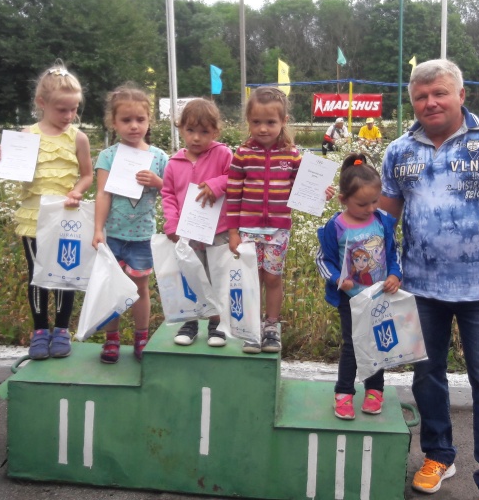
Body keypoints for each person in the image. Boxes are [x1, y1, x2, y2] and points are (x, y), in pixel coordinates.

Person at [380, 59, 479, 500]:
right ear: (412, 102)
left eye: (439, 93)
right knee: (427, 378)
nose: (430, 102)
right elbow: (384, 222)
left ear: (461, 95)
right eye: (421, 96)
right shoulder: (399, 151)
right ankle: (439, 456)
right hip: (418, 290)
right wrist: (349, 209)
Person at [0, 64, 93, 360]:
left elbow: (87, 175)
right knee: (37, 274)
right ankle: (40, 330)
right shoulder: (26, 135)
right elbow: (15, 172)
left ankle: (61, 329)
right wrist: (2, 158)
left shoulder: (78, 138)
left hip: (66, 217)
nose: (69, 116)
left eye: (74, 109)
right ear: (41, 103)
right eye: (62, 109)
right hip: (34, 218)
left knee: (65, 271)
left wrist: (77, 191)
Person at [315, 154, 402, 420]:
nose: (370, 208)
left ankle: (375, 391)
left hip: (380, 297)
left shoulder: (382, 221)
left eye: (375, 201)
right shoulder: (336, 226)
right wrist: (338, 280)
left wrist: (395, 275)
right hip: (351, 299)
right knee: (351, 346)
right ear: (343, 199)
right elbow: (323, 260)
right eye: (362, 204)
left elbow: (394, 252)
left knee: (378, 343)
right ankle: (344, 393)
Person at [92, 85, 168, 364]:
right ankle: (111, 339)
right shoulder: (108, 156)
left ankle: (141, 337)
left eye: (140, 119)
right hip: (113, 235)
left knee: (139, 289)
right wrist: (98, 230)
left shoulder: (159, 157)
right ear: (113, 122)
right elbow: (103, 194)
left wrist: (157, 182)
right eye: (126, 120)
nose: (134, 126)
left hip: (142, 237)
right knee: (111, 288)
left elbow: (172, 192)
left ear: (149, 120)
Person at [226, 87, 302, 354]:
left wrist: (320, 192)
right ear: (248, 121)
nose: (263, 128)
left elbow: (302, 188)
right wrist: (233, 232)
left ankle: (271, 327)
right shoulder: (243, 154)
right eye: (256, 121)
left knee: (272, 278)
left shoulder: (292, 155)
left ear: (283, 121)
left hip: (278, 230)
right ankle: (252, 328)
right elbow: (233, 195)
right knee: (252, 279)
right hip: (247, 230)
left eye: (270, 122)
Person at [161, 98, 232, 347]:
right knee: (189, 275)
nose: (196, 138)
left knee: (216, 277)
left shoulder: (223, 154)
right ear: (181, 128)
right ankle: (189, 322)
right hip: (186, 233)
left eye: (204, 132)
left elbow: (235, 177)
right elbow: (168, 194)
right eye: (190, 130)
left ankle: (216, 324)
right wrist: (172, 223)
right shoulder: (174, 163)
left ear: (215, 132)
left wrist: (216, 184)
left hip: (218, 231)